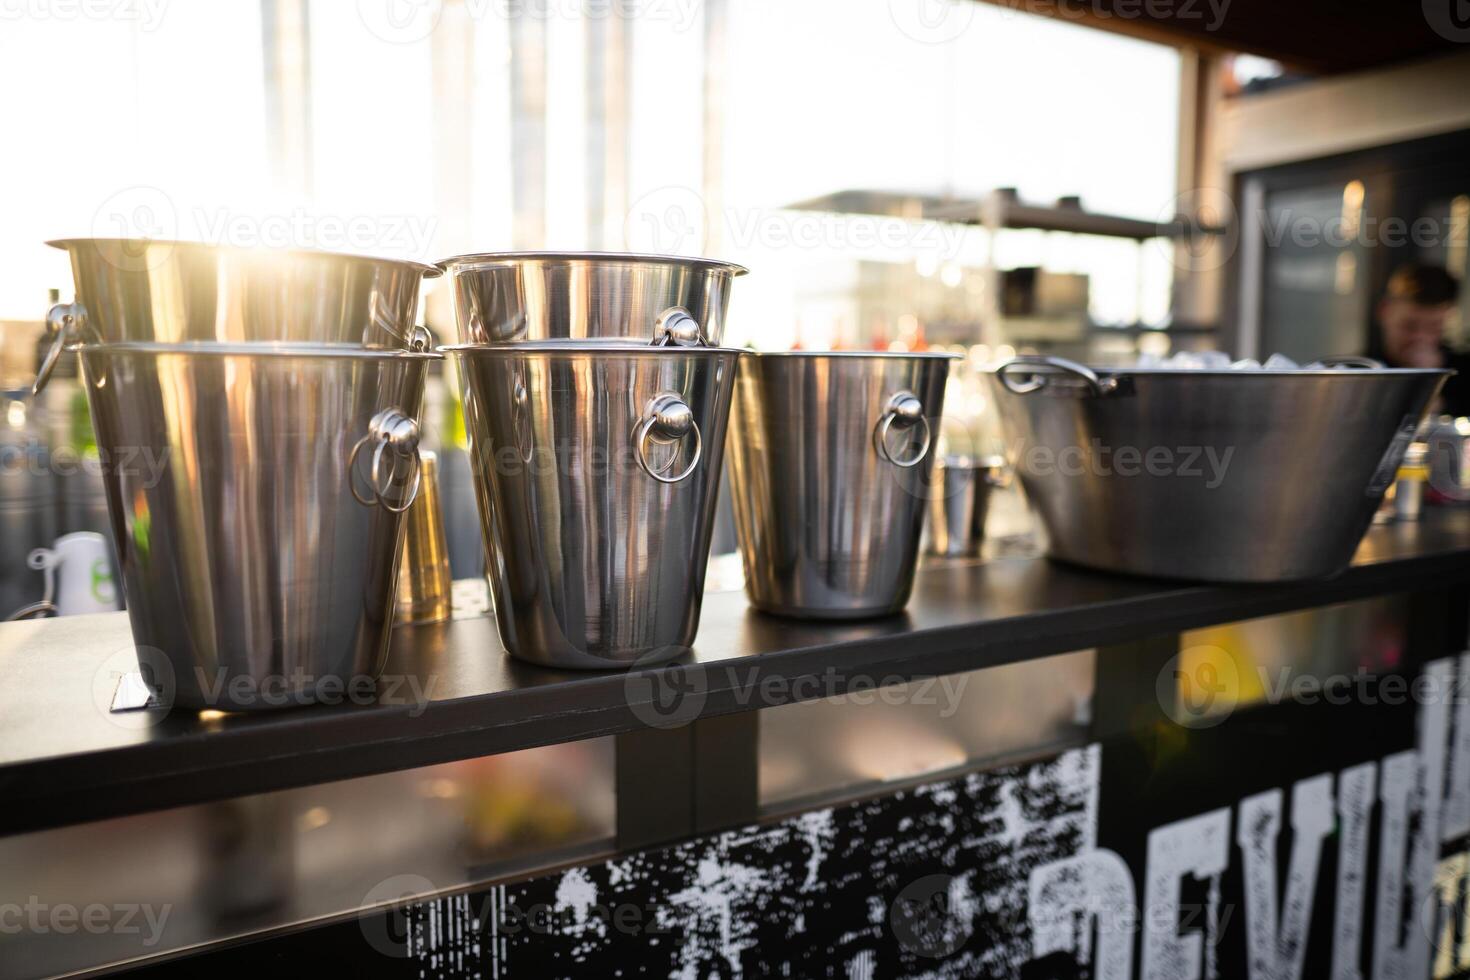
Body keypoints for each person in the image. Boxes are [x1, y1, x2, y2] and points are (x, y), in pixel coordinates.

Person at [1369, 263, 1470, 417]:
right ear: (1384, 311)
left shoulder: (1463, 372)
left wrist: (1431, 382)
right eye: (1409, 326)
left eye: (1433, 327)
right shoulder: (1359, 371)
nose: (1420, 337)